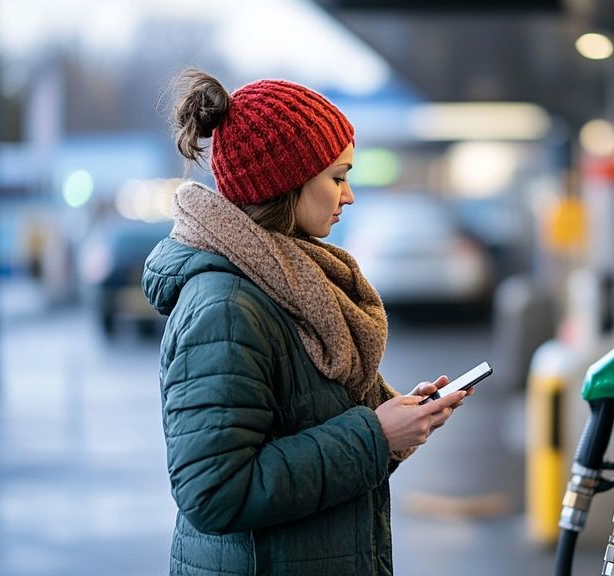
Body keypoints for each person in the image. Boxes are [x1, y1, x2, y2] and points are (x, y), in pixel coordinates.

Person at [142, 69, 470, 576]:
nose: (349, 195)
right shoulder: (227, 306)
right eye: (337, 177)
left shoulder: (286, 280)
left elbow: (305, 422)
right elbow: (214, 493)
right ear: (286, 182)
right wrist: (373, 435)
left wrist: (395, 419)